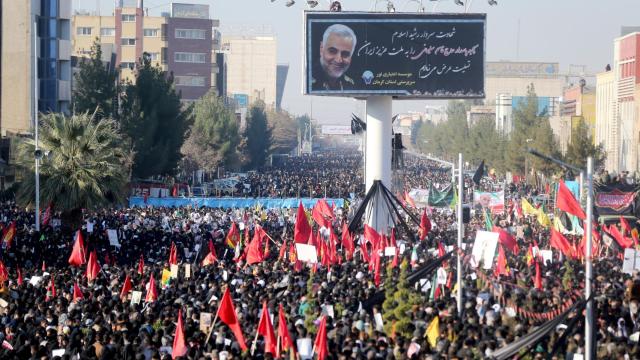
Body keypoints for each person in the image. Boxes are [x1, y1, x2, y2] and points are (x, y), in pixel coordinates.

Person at [312, 24, 357, 91]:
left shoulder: (350, 85)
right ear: (321, 49)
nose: (339, 60)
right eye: (332, 51)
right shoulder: (308, 82)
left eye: (345, 54)